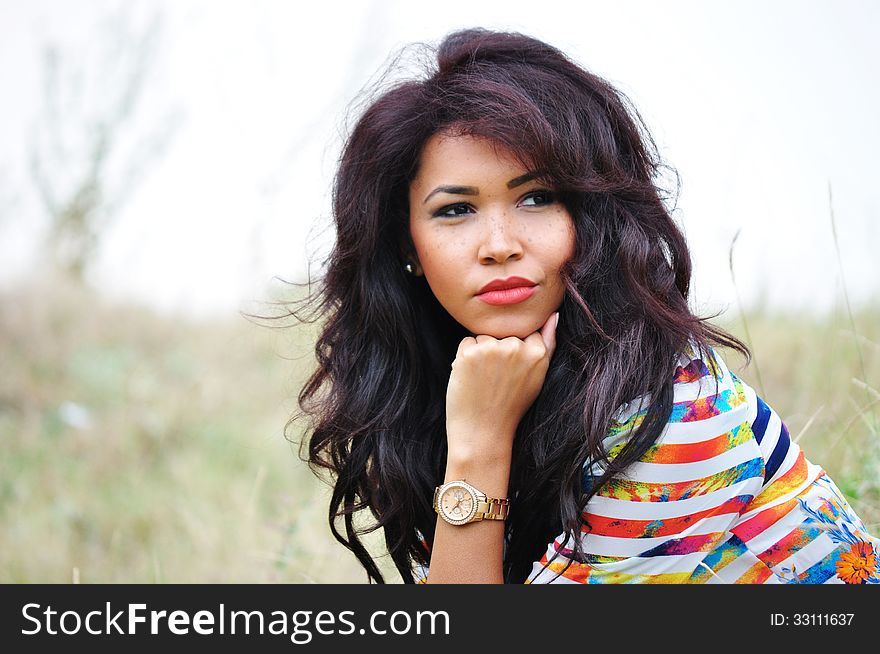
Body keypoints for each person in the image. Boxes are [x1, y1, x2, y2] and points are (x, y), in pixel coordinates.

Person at [292, 28, 879, 584]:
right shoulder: (467, 387)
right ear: (406, 247)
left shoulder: (676, 422)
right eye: (455, 210)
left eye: (537, 198)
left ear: (593, 218)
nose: (500, 246)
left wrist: (479, 446)